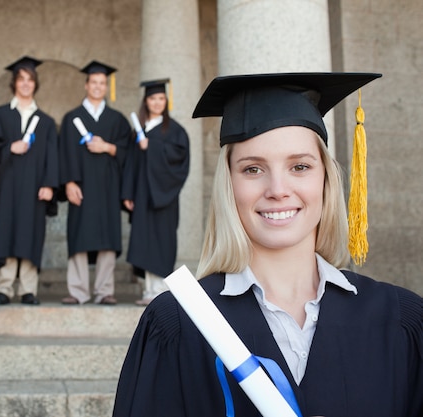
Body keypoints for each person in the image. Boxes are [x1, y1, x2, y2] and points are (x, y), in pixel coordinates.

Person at [113, 72, 423, 416]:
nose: (277, 189)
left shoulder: (400, 319)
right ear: (228, 184)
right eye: (253, 169)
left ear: (326, 179)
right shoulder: (176, 324)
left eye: (300, 166)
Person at [0, 56, 58, 306]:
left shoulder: (46, 122)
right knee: (6, 232)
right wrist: (9, 148)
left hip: (35, 188)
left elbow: (52, 156)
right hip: (7, 185)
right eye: (21, 79)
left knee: (30, 234)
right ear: (14, 83)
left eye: (30, 80)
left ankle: (29, 288)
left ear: (35, 84)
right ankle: (4, 287)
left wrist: (49, 184)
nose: (26, 84)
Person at [58, 60, 131, 305]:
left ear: (106, 87)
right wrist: (68, 182)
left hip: (109, 187)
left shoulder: (117, 119)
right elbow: (64, 153)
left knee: (107, 237)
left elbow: (128, 153)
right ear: (86, 84)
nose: (98, 86)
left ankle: (104, 291)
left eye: (102, 83)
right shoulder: (72, 119)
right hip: (82, 186)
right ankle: (78, 291)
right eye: (94, 82)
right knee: (79, 236)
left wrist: (107, 147)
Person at [122, 79, 190, 306]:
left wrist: (151, 147)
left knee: (162, 240)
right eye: (153, 98)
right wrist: (128, 194)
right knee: (144, 241)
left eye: (161, 98)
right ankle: (148, 290)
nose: (157, 102)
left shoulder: (175, 131)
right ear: (146, 101)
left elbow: (180, 160)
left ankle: (161, 290)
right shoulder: (138, 131)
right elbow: (130, 164)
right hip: (142, 195)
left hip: (164, 197)